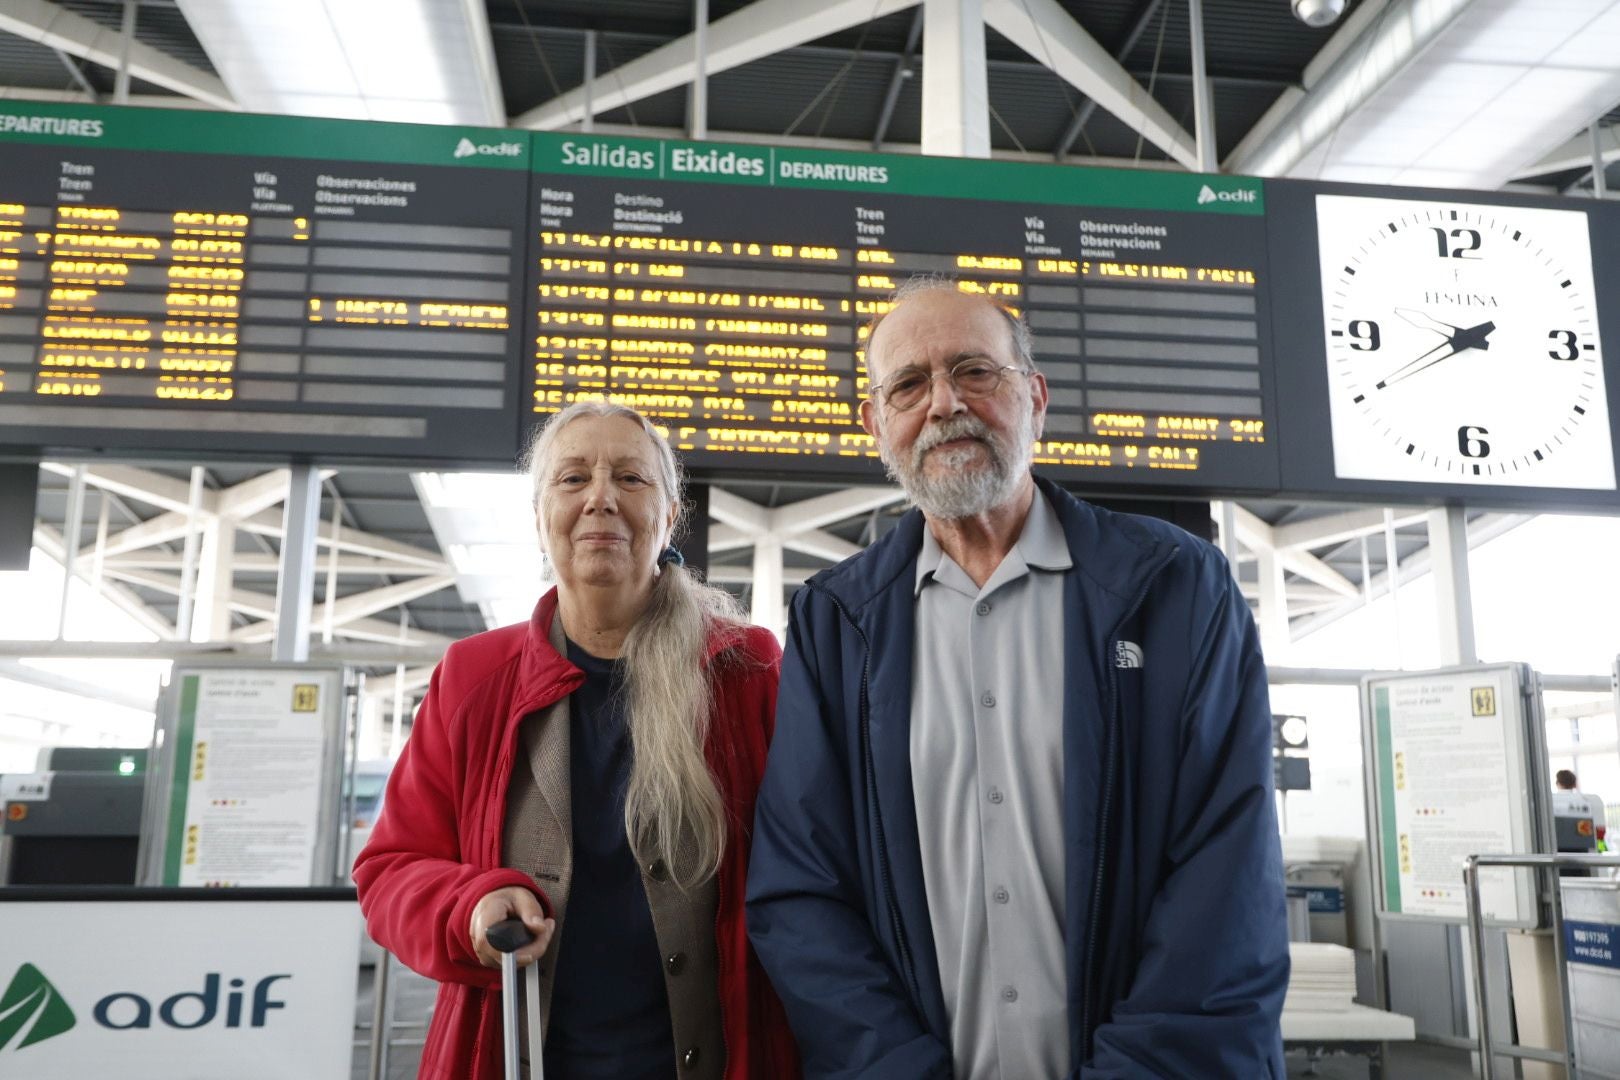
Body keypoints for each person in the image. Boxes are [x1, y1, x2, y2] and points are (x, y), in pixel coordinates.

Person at [746, 279, 1290, 1079]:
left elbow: (1226, 884)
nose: (943, 405)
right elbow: (802, 892)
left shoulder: (1176, 588)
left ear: (1034, 397)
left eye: (974, 371)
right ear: (876, 425)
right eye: (908, 385)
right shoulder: (837, 624)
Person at [355, 402, 798, 1080]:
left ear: (670, 515)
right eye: (572, 479)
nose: (600, 498)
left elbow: (815, 860)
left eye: (630, 477)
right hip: (512, 1055)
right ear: (539, 517)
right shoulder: (474, 679)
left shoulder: (748, 672)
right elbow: (390, 870)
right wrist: (467, 907)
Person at [1554, 769, 1609, 851]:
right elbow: (1600, 834)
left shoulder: (1552, 801)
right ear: (1574, 784)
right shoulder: (1591, 800)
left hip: (1557, 853)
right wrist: (1602, 851)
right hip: (1585, 855)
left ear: (1557, 783)